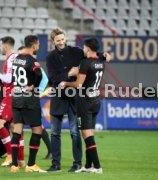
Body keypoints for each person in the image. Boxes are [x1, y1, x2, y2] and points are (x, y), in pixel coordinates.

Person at [46, 28, 110, 172]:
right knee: (55, 132)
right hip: (58, 97)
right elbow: (53, 79)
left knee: (75, 132)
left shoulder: (76, 51)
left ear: (65, 38)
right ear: (53, 42)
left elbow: (91, 53)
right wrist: (70, 73)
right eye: (58, 40)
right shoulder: (50, 57)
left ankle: (77, 163)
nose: (61, 42)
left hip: (74, 97)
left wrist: (103, 55)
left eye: (63, 39)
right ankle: (55, 164)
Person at [59, 38, 104, 173]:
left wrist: (65, 83)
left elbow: (78, 85)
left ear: (88, 49)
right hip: (96, 100)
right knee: (89, 133)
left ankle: (97, 167)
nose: (83, 50)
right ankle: (88, 166)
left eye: (84, 48)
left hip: (85, 102)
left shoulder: (86, 63)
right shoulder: (100, 62)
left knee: (86, 134)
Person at [10, 35, 46, 173]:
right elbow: (39, 75)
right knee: (37, 130)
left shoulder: (17, 58)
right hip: (29, 98)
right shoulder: (32, 61)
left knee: (17, 130)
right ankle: (31, 164)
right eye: (38, 45)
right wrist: (33, 86)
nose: (38, 47)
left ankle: (14, 165)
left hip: (16, 97)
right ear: (33, 45)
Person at [0, 37, 24, 167]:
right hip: (17, 95)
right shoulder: (16, 58)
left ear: (5, 46)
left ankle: (11, 155)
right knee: (14, 127)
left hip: (11, 96)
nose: (0, 48)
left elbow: (9, 78)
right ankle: (21, 160)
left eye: (0, 46)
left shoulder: (11, 58)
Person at [19, 45, 52, 160]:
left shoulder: (31, 64)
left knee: (30, 125)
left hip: (30, 98)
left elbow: (44, 78)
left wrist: (38, 92)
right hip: (23, 97)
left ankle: (17, 154)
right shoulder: (21, 64)